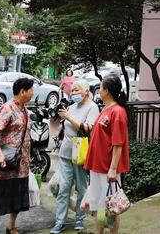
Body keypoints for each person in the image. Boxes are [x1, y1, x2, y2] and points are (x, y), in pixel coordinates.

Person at [0, 77, 35, 234]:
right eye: (31, 90)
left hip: (21, 161)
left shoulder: (24, 109)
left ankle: (11, 226)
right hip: (5, 159)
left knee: (17, 194)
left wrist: (29, 156)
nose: (33, 93)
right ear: (23, 91)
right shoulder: (7, 108)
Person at [81, 75, 129, 234]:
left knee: (111, 206)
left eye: (101, 88)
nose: (99, 91)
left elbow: (118, 143)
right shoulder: (106, 109)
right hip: (97, 165)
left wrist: (113, 169)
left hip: (108, 167)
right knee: (98, 205)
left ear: (107, 91)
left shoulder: (118, 112)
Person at [51, 79, 100, 233]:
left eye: (76, 90)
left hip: (81, 154)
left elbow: (87, 129)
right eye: (72, 90)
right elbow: (62, 128)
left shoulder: (92, 107)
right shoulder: (70, 107)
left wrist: (69, 117)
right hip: (65, 153)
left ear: (86, 91)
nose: (73, 93)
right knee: (63, 188)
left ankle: (79, 219)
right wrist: (56, 118)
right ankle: (60, 221)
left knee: (81, 188)